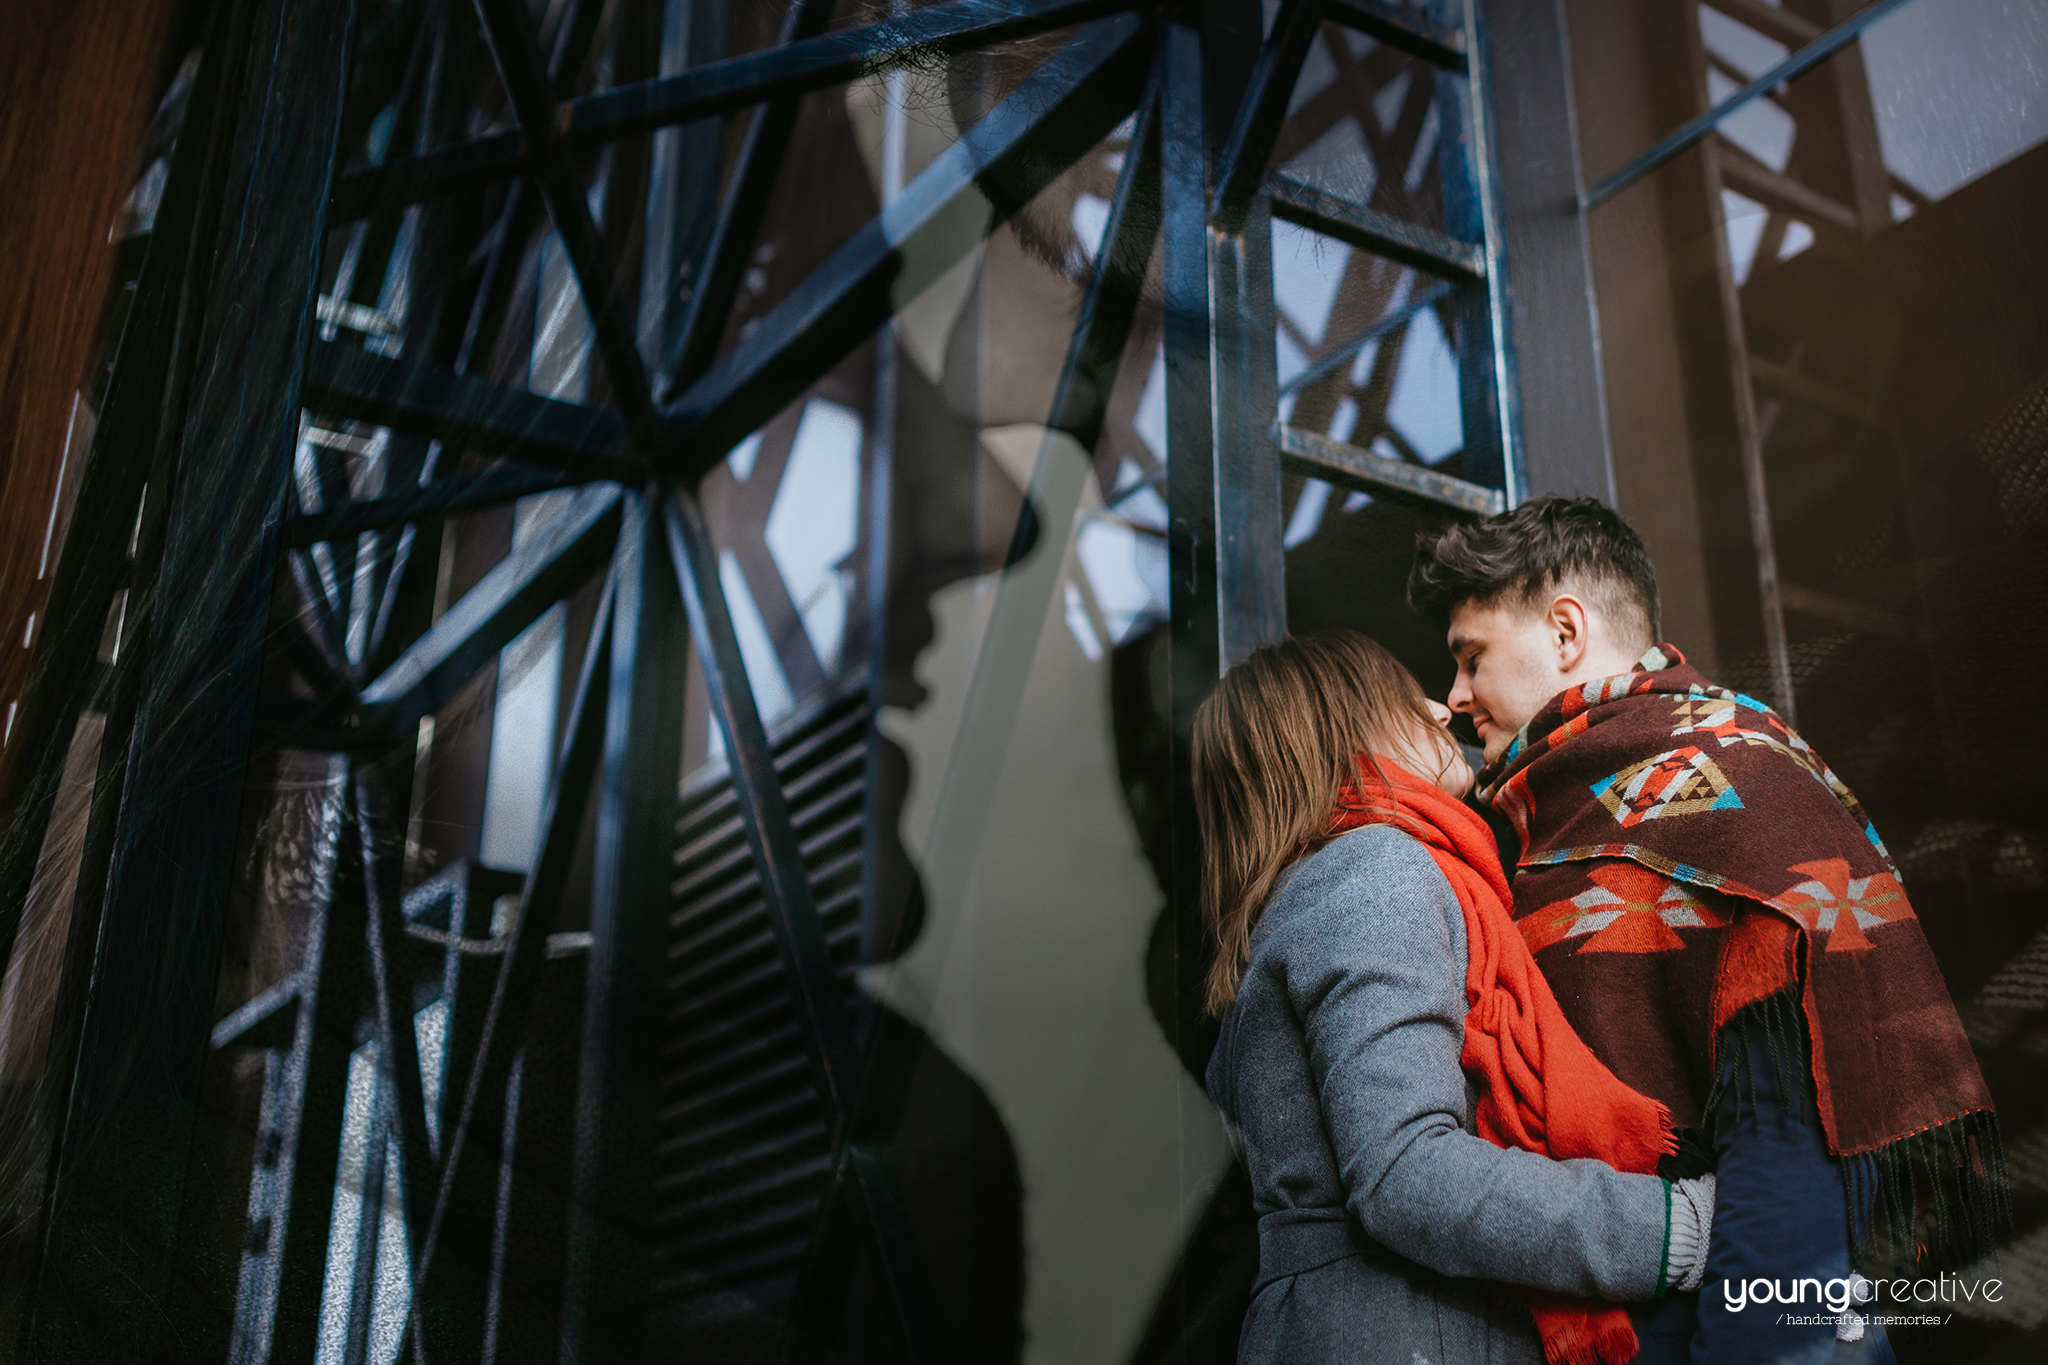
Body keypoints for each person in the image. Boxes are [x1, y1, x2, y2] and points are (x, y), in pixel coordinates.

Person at [1410, 495, 2008, 1364]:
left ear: (1566, 631)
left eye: (1472, 657)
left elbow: (1785, 1151)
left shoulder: (1741, 785)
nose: (1456, 697)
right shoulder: (1535, 821)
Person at [1197, 630, 1717, 1365]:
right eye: (1403, 701)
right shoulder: (1373, 872)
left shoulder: (1300, 900)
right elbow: (1407, 1172)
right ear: (1346, 730)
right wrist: (1672, 1228)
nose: (1442, 709)